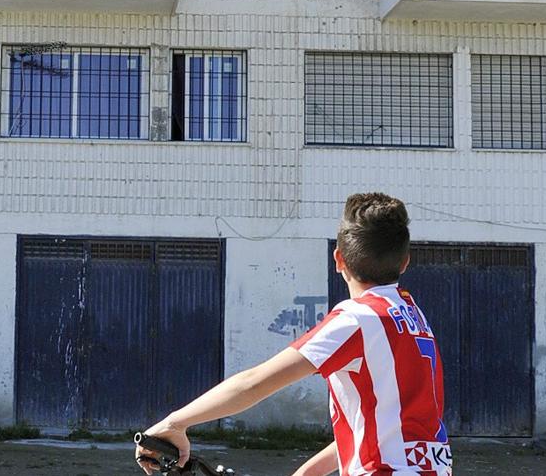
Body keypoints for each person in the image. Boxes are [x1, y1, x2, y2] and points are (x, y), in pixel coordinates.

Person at [135, 193, 451, 476]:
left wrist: (174, 422)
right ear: (405, 262)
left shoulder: (356, 320)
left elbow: (253, 384)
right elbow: (381, 429)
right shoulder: (412, 316)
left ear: (339, 259)